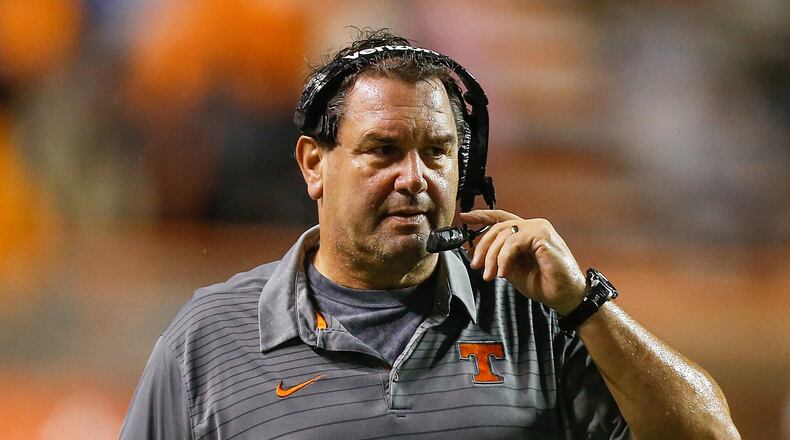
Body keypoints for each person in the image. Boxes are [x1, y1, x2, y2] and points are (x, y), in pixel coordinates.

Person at [121, 30, 740, 439]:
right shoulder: (207, 338)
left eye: (438, 152)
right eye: (383, 151)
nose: (414, 178)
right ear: (314, 164)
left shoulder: (535, 316)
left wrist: (585, 305)